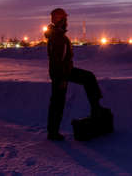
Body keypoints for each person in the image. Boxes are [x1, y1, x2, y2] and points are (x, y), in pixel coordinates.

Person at [45, 8, 106, 141]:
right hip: (61, 73)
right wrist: (62, 79)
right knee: (58, 101)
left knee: (88, 77)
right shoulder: (57, 37)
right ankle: (53, 132)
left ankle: (96, 107)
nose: (67, 22)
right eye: (65, 19)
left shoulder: (57, 34)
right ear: (61, 20)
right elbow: (57, 60)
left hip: (64, 71)